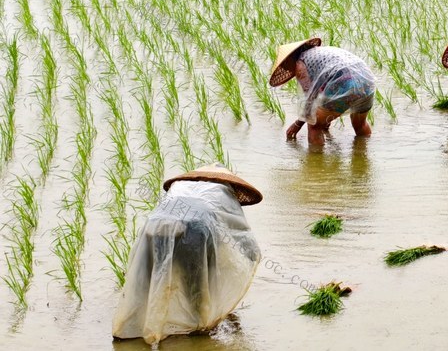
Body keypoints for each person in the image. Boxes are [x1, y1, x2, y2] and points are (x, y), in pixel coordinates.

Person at [112, 165, 263, 345]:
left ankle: (129, 327)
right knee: (198, 282)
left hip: (154, 226)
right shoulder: (223, 192)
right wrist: (252, 256)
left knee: (146, 280)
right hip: (197, 228)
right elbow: (240, 233)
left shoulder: (181, 187)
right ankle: (197, 329)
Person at [269, 38, 376, 145]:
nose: (286, 70)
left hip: (344, 82)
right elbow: (324, 88)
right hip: (367, 81)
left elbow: (310, 98)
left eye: (284, 65)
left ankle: (316, 159)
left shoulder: (300, 65)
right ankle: (362, 155)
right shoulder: (321, 53)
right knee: (360, 124)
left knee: (314, 125)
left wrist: (297, 124)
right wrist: (325, 116)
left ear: (288, 59)